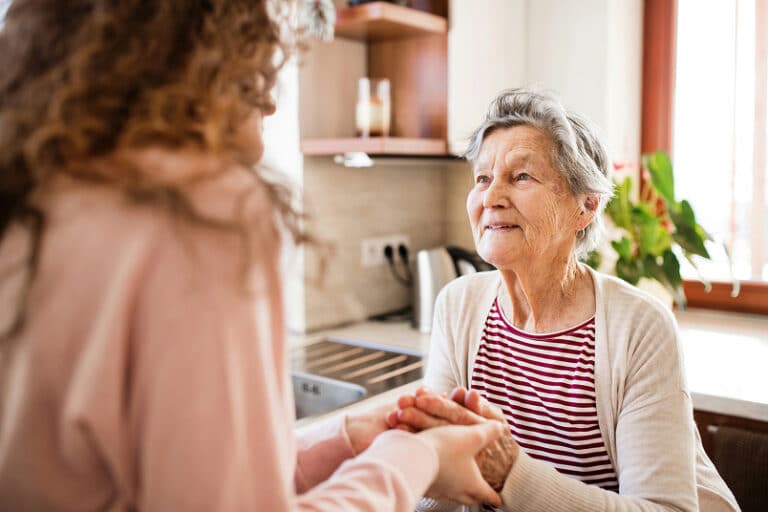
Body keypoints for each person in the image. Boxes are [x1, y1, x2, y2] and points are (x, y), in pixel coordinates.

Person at [0, 1, 506, 510]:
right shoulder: (198, 211)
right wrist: (415, 457)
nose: (269, 104)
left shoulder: (36, 196)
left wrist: (350, 436)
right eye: (254, 71)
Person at [390, 89, 740, 511]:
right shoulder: (458, 305)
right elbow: (439, 486)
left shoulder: (638, 327)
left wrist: (511, 475)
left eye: (521, 177)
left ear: (585, 207)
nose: (491, 197)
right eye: (482, 178)